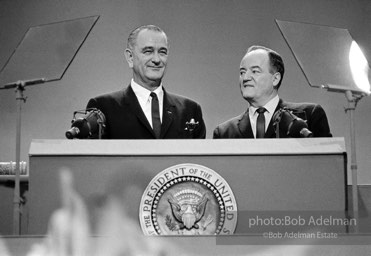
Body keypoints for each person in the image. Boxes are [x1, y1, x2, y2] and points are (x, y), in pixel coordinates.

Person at [86, 25, 206, 139]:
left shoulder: (190, 110)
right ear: (130, 57)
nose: (156, 59)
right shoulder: (103, 108)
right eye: (148, 51)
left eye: (162, 52)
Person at [213, 45, 332, 139]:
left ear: (275, 79)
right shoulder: (224, 132)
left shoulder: (309, 115)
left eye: (255, 71)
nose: (245, 78)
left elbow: (327, 164)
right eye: (242, 72)